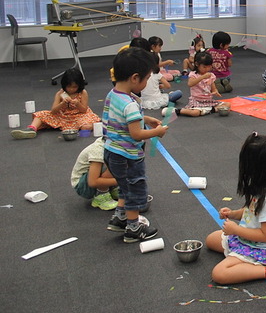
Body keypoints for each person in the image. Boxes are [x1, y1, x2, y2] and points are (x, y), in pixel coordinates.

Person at [206, 133, 266, 288]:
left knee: (219, 274)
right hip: (246, 239)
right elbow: (249, 212)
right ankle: (242, 262)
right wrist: (232, 214)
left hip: (261, 248)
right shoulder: (260, 187)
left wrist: (236, 230)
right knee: (210, 240)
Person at [104, 47, 167, 242]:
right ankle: (133, 227)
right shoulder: (130, 104)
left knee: (124, 186)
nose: (147, 82)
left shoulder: (113, 95)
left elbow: (120, 119)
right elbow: (137, 134)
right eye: (146, 78)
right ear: (134, 78)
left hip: (111, 152)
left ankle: (120, 217)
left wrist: (145, 118)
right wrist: (157, 132)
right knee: (134, 190)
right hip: (127, 156)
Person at [12, 67, 100, 139]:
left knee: (86, 127)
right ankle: (32, 129)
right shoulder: (60, 93)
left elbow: (84, 110)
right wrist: (62, 104)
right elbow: (53, 111)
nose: (71, 89)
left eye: (74, 87)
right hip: (62, 116)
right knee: (41, 115)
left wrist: (77, 103)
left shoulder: (83, 92)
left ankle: (96, 125)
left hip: (79, 116)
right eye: (69, 86)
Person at [70, 136, 119, 211]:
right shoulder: (98, 150)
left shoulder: (112, 143)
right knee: (115, 163)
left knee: (122, 160)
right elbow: (93, 182)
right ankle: (101, 195)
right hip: (83, 186)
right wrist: (122, 181)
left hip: (91, 179)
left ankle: (112, 189)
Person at [170, 51, 221, 117]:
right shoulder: (193, 74)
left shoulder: (211, 75)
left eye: (209, 67)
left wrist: (215, 91)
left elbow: (213, 88)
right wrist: (202, 77)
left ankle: (205, 111)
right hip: (196, 101)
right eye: (204, 67)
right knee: (195, 113)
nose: (207, 69)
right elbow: (190, 84)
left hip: (208, 101)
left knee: (227, 105)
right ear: (197, 64)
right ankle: (177, 111)